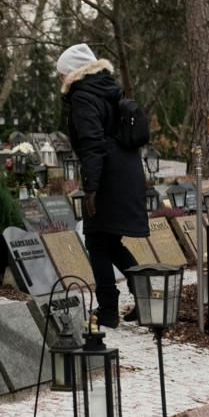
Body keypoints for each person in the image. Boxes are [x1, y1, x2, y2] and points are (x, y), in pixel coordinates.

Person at [57, 43, 149, 327]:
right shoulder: (107, 88)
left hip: (108, 175)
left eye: (62, 74)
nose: (60, 80)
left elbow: (92, 144)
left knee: (96, 240)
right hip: (127, 170)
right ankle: (147, 301)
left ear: (72, 72)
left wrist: (91, 188)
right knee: (110, 241)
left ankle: (108, 310)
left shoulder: (83, 96)